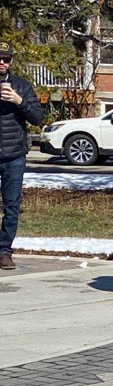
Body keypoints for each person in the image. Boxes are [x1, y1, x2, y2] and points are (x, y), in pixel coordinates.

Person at [0, 42, 44, 270]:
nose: (2, 62)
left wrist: (19, 101)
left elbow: (38, 117)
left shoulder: (21, 86)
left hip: (14, 154)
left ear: (11, 62)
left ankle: (5, 250)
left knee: (11, 205)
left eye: (6, 59)